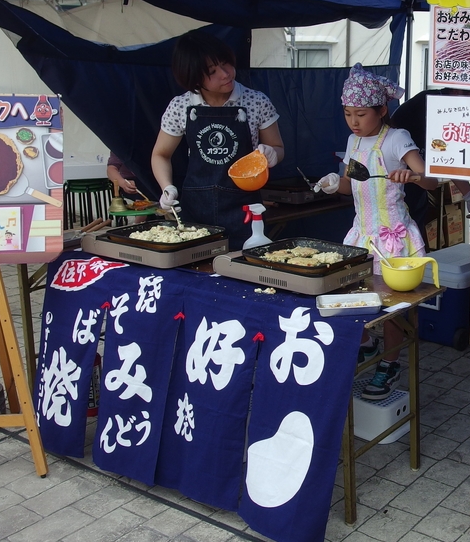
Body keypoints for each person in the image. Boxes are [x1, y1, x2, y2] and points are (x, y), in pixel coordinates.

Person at [316, 64, 440, 401]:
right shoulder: (353, 140)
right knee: (350, 296)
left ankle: (390, 361)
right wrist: (333, 184)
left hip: (394, 237)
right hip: (361, 234)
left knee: (392, 306)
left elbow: (431, 179)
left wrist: (412, 177)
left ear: (381, 111)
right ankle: (367, 345)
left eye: (361, 114)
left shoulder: (396, 139)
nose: (354, 122)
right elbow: (350, 184)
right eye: (347, 114)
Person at [151, 30, 284, 242]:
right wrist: (167, 188)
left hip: (244, 209)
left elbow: (278, 147)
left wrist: (272, 154)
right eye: (212, 71)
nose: (225, 74)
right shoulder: (180, 106)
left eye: (226, 63)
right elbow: (160, 154)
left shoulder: (256, 101)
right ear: (193, 77)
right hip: (195, 210)